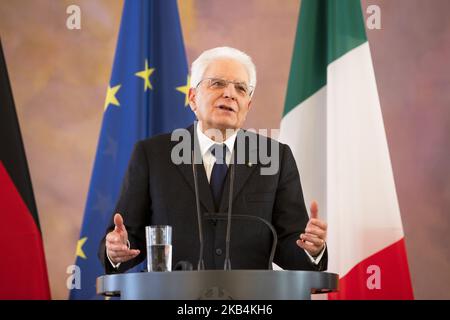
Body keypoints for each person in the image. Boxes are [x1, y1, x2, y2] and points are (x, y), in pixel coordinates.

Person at [99, 47, 328, 273]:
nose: (229, 94)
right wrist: (118, 250)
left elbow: (290, 248)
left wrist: (312, 249)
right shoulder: (153, 155)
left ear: (248, 105)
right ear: (193, 98)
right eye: (217, 83)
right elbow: (129, 240)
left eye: (240, 88)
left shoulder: (275, 157)